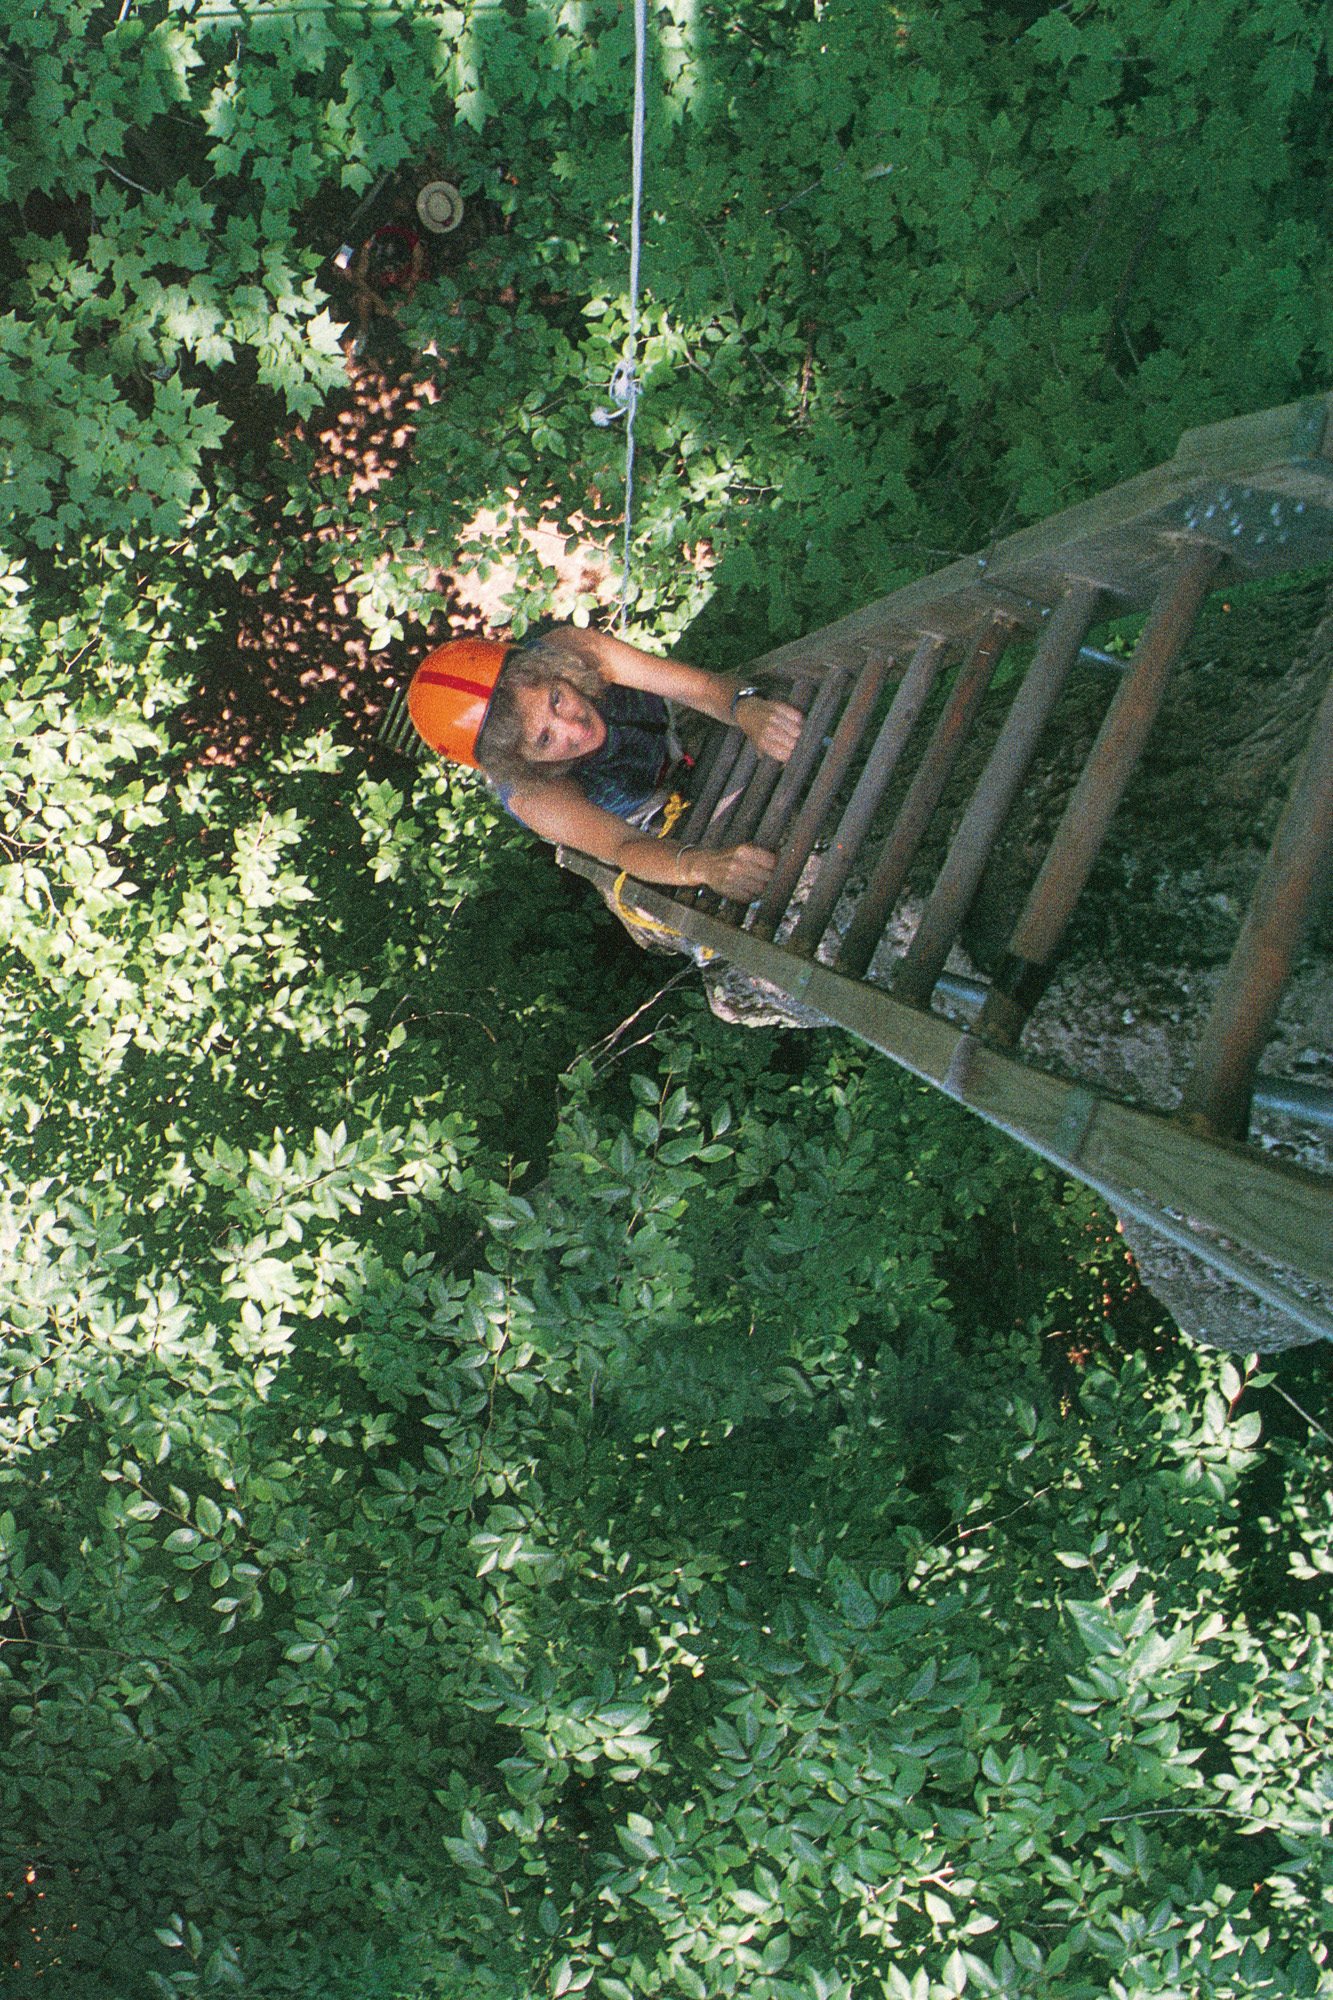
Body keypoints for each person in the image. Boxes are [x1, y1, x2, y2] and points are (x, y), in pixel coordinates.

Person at [405, 625, 804, 901]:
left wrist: (746, 707)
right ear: (521, 762)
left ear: (551, 672)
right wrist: (702, 867)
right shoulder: (534, 796)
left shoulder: (572, 653)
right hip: (646, 818)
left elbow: (697, 687)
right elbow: (624, 846)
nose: (573, 727)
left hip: (671, 733)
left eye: (557, 698)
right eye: (545, 739)